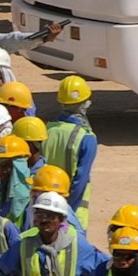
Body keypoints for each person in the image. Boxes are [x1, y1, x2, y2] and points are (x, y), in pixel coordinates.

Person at [41, 76, 98, 229]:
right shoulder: (86, 137)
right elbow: (80, 181)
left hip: (43, 204)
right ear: (84, 104)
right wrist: (64, 210)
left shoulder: (47, 129)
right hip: (72, 211)